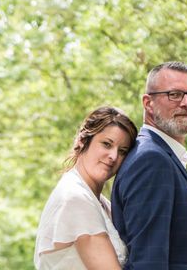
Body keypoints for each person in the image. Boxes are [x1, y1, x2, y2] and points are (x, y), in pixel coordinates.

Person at [111, 61, 187, 269]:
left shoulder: (164, 156)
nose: (186, 103)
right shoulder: (151, 161)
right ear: (148, 103)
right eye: (174, 94)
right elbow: (149, 262)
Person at [34, 106, 138, 270]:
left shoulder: (102, 204)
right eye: (106, 144)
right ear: (83, 141)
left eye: (123, 151)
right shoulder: (76, 198)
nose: (113, 156)